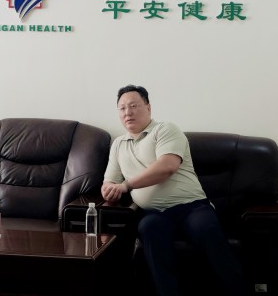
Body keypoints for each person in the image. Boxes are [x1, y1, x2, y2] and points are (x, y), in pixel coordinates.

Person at [101, 84, 246, 296]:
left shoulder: (166, 130)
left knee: (207, 231)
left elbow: (167, 167)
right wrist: (109, 190)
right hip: (154, 213)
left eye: (133, 106)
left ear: (148, 107)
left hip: (192, 208)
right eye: (122, 108)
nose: (127, 112)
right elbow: (110, 181)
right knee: (149, 229)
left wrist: (126, 185)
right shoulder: (118, 145)